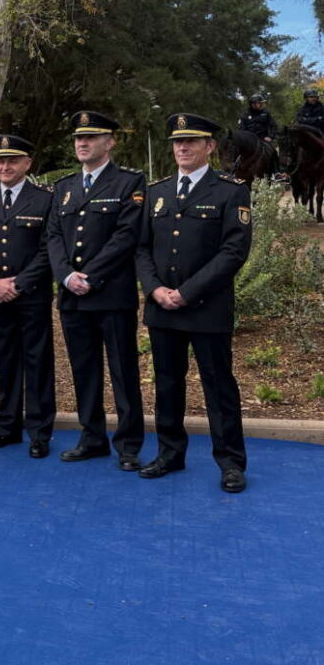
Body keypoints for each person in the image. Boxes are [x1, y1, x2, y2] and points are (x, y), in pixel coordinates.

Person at [136, 113, 252, 493]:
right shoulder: (157, 191)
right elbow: (141, 249)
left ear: (210, 147)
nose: (182, 148)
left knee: (218, 385)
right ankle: (170, 453)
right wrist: (155, 289)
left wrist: (186, 292)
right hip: (162, 307)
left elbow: (233, 252)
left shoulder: (230, 191)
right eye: (177, 142)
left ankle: (231, 462)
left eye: (192, 141)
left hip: (206, 307)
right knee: (167, 384)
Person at [47, 111, 146, 470]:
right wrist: (66, 277)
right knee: (83, 370)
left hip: (110, 294)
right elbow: (53, 237)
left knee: (123, 371)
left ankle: (129, 445)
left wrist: (88, 275)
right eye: (78, 138)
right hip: (73, 296)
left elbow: (125, 237)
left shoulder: (129, 183)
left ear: (110, 142)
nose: (82, 143)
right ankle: (92, 437)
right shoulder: (64, 187)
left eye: (91, 137)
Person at [0, 135, 56, 459]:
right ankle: (7, 427)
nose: (4, 167)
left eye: (12, 161)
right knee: (5, 364)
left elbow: (49, 249)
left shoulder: (44, 200)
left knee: (37, 364)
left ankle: (39, 432)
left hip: (30, 296)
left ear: (27, 164)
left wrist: (18, 283)